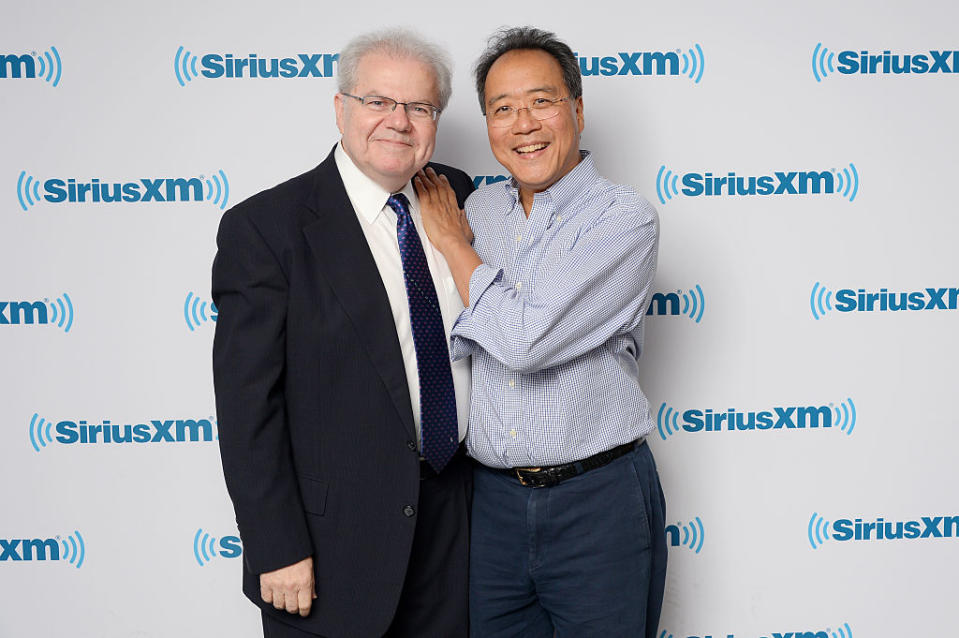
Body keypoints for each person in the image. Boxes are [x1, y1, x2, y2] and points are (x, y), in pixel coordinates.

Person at [212, 28, 474, 638]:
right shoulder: (267, 228)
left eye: (419, 107)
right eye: (378, 102)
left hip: (457, 534)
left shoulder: (461, 199)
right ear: (340, 108)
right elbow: (247, 406)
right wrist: (275, 545)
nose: (398, 122)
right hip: (330, 549)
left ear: (436, 120)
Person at [415, 26, 667, 638]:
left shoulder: (622, 219)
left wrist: (451, 243)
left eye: (541, 101)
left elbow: (525, 341)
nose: (522, 123)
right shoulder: (480, 211)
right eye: (502, 109)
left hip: (596, 501)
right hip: (492, 506)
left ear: (577, 109)